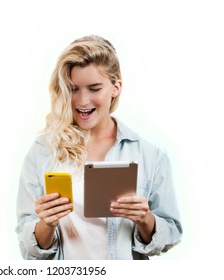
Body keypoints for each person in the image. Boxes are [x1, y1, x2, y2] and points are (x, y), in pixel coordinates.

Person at [15, 35, 182, 260]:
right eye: (73, 89)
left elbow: (171, 234)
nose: (83, 101)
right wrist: (46, 223)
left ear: (115, 87)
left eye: (94, 88)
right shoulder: (43, 151)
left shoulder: (150, 155)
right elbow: (29, 248)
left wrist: (145, 219)